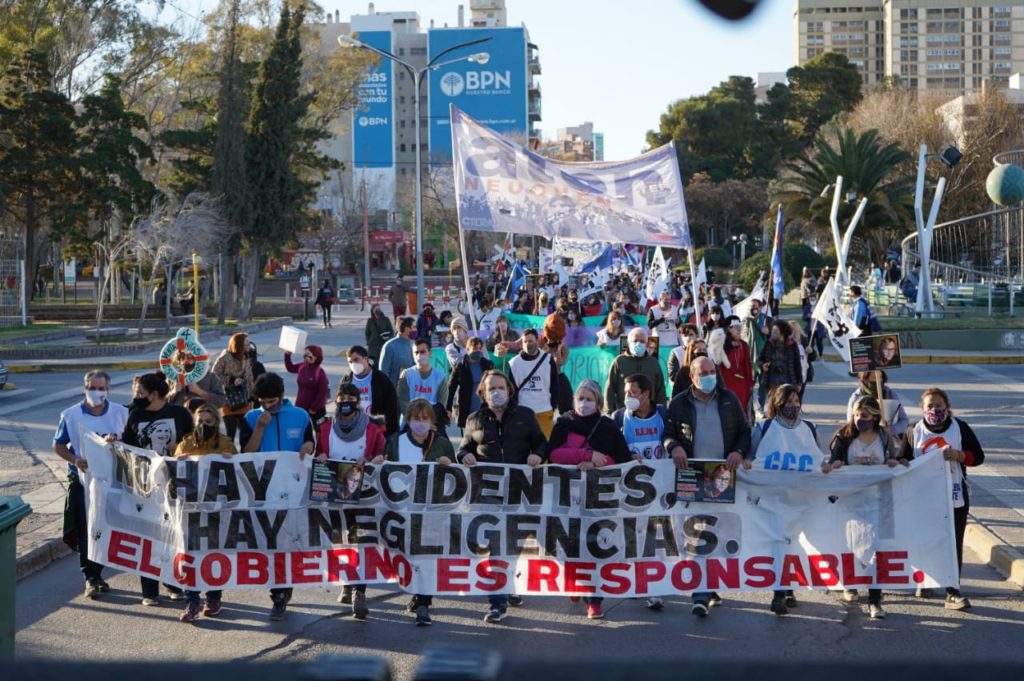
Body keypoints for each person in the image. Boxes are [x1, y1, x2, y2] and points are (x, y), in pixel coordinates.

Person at [663, 356, 751, 618]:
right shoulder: (679, 403)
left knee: (718, 535)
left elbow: (745, 432)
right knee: (697, 535)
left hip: (722, 478)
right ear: (692, 376)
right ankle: (700, 594)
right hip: (692, 478)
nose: (710, 376)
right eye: (704, 372)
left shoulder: (729, 399)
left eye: (713, 371)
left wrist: (738, 451)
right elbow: (667, 433)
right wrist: (674, 446)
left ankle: (708, 585)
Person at [458, 370, 546, 624]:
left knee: (515, 546)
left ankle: (510, 586)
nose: (497, 392)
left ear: (509, 390)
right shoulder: (474, 419)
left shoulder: (526, 416)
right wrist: (463, 456)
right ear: (483, 394)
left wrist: (538, 455)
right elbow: (463, 448)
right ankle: (497, 603)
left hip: (519, 491)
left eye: (501, 387)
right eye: (491, 388)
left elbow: (542, 443)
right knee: (497, 546)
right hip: (489, 494)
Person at [548, 379, 631, 620]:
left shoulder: (607, 426)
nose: (584, 404)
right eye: (580, 398)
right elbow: (554, 454)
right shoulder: (564, 422)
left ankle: (594, 599)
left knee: (595, 545)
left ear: (599, 402)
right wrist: (584, 455)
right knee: (572, 543)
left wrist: (598, 462)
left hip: (599, 497)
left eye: (589, 399)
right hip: (568, 496)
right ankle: (575, 584)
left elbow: (621, 458)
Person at [898, 388, 984, 610]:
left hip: (954, 496)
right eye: (929, 406)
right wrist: (897, 462)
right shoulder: (913, 431)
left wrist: (959, 455)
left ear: (946, 406)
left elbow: (979, 457)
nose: (934, 409)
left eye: (938, 405)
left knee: (952, 543)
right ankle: (925, 581)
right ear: (922, 409)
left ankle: (952, 590)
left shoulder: (960, 428)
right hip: (923, 497)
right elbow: (902, 459)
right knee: (925, 540)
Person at [240, 372, 315, 621]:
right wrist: (261, 427)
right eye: (262, 402)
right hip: (265, 492)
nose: (267, 406)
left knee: (290, 542)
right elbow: (246, 453)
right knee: (272, 543)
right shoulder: (250, 418)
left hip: (294, 492)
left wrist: (308, 447)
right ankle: (278, 594)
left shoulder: (301, 415)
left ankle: (285, 587)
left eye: (271, 401)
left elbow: (311, 445)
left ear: (282, 397)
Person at [53, 370, 129, 600]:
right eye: (92, 387)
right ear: (85, 388)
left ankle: (101, 569)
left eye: (100, 388)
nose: (96, 392)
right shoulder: (71, 415)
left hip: (113, 481)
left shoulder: (120, 413)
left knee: (110, 527)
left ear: (108, 388)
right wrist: (74, 459)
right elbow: (59, 444)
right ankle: (91, 576)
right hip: (83, 481)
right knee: (88, 528)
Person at [121, 371, 194, 606]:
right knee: (148, 535)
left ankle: (173, 583)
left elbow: (195, 442)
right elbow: (128, 450)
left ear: (154, 394)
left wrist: (181, 448)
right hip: (145, 487)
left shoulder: (179, 413)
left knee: (173, 535)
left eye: (141, 393)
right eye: (136, 393)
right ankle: (149, 590)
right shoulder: (134, 416)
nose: (136, 396)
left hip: (175, 486)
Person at [750, 384, 824, 616]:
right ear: (777, 404)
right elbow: (751, 459)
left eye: (796, 401)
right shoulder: (764, 428)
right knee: (778, 543)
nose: (793, 406)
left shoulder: (810, 429)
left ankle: (789, 585)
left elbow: (819, 463)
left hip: (801, 500)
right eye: (788, 402)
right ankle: (779, 593)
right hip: (772, 500)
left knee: (795, 545)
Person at [823, 395, 898, 619]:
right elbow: (832, 461)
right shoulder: (843, 436)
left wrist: (893, 463)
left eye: (864, 415)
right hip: (850, 502)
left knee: (876, 548)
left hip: (877, 502)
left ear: (874, 417)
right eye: (856, 415)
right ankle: (850, 584)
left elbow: (891, 460)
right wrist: (834, 465)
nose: (859, 419)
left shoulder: (884, 437)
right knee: (851, 545)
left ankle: (875, 599)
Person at [315, 383, 386, 619]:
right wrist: (320, 456)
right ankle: (347, 582)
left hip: (363, 492)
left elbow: (382, 454)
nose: (345, 401)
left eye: (350, 397)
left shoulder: (373, 428)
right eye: (341, 397)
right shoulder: (325, 427)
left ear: (357, 401)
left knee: (362, 541)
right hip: (334, 494)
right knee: (340, 541)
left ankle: (360, 591)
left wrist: (373, 459)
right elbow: (317, 453)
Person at [385, 398, 457, 626]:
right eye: (416, 418)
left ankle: (424, 604)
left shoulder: (442, 443)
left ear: (432, 422)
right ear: (408, 420)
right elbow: (385, 470)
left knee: (426, 557)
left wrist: (449, 464)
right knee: (408, 557)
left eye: (425, 418)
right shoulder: (395, 442)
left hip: (431, 514)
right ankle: (417, 595)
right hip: (402, 512)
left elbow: (457, 477)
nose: (420, 423)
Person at [173, 405, 237, 622]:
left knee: (212, 554)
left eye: (208, 422)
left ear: (216, 423)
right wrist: (178, 462)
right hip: (191, 510)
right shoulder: (186, 443)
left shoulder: (226, 444)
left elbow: (238, 474)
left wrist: (229, 460)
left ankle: (214, 598)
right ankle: (192, 601)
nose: (203, 426)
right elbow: (173, 472)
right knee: (190, 554)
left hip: (216, 511)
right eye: (199, 422)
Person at [508, 328, 560, 437]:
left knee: (545, 445)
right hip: (523, 412)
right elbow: (512, 390)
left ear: (537, 341)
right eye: (525, 342)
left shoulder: (548, 360)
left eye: (530, 341)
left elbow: (555, 385)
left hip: (544, 411)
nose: (527, 344)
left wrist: (553, 405)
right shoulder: (514, 363)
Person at [604, 327, 667, 414]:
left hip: (648, 413)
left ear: (646, 343)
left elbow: (660, 390)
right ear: (629, 343)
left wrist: (662, 412)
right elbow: (610, 388)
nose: (638, 343)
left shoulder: (653, 363)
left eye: (642, 341)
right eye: (635, 341)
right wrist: (609, 412)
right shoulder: (619, 362)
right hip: (624, 412)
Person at [340, 345, 399, 435]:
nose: (353, 364)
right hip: (353, 429)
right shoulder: (347, 380)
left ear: (365, 359)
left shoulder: (381, 379)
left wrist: (391, 433)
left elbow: (392, 407)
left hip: (376, 429)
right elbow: (340, 405)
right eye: (350, 362)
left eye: (356, 360)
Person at [397, 338, 450, 430]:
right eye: (416, 352)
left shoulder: (440, 377)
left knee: (444, 443)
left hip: (433, 422)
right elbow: (403, 402)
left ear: (430, 353)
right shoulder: (406, 375)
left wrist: (426, 422)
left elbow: (441, 405)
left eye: (422, 352)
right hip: (410, 422)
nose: (419, 355)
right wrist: (415, 421)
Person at [845, 370, 909, 444]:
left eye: (880, 377)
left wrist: (891, 429)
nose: (879, 380)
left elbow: (904, 421)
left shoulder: (890, 394)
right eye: (874, 378)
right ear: (865, 380)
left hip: (887, 441)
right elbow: (850, 424)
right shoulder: (856, 397)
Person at [213, 332, 254, 444]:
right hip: (228, 401)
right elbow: (215, 375)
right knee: (230, 433)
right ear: (239, 344)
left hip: (243, 399)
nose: (249, 344)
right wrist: (231, 380)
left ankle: (245, 457)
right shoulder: (225, 357)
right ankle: (230, 457)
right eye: (246, 342)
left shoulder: (246, 357)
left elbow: (250, 377)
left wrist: (251, 396)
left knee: (246, 432)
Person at [446, 336, 494, 430]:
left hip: (485, 407)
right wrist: (448, 409)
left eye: (480, 348)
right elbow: (451, 388)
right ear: (467, 350)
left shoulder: (488, 364)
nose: (478, 351)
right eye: (475, 348)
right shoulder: (460, 367)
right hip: (467, 407)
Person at [711, 318, 753, 419]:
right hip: (727, 385)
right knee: (729, 412)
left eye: (740, 327)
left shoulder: (744, 345)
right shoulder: (721, 345)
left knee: (743, 412)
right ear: (728, 329)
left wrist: (750, 384)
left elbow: (747, 365)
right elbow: (718, 367)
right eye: (735, 327)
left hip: (742, 385)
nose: (739, 330)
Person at [759, 319, 803, 411]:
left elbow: (797, 365)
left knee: (786, 406)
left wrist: (799, 382)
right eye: (772, 330)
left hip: (788, 381)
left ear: (782, 333)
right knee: (773, 407)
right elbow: (760, 359)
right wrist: (763, 366)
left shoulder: (792, 345)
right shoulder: (768, 343)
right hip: (772, 382)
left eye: (776, 331)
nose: (773, 332)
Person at [283, 345, 330, 425]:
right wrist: (287, 355)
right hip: (300, 407)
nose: (306, 356)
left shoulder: (319, 372)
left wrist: (314, 408)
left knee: (319, 431)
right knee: (301, 430)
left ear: (316, 357)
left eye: (309, 354)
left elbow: (323, 392)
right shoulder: (302, 366)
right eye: (305, 354)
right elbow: (290, 368)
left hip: (315, 410)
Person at [380, 317, 416, 386]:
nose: (416, 330)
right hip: (394, 389)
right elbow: (383, 371)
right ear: (406, 329)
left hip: (411, 387)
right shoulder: (390, 346)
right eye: (414, 327)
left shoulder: (413, 344)